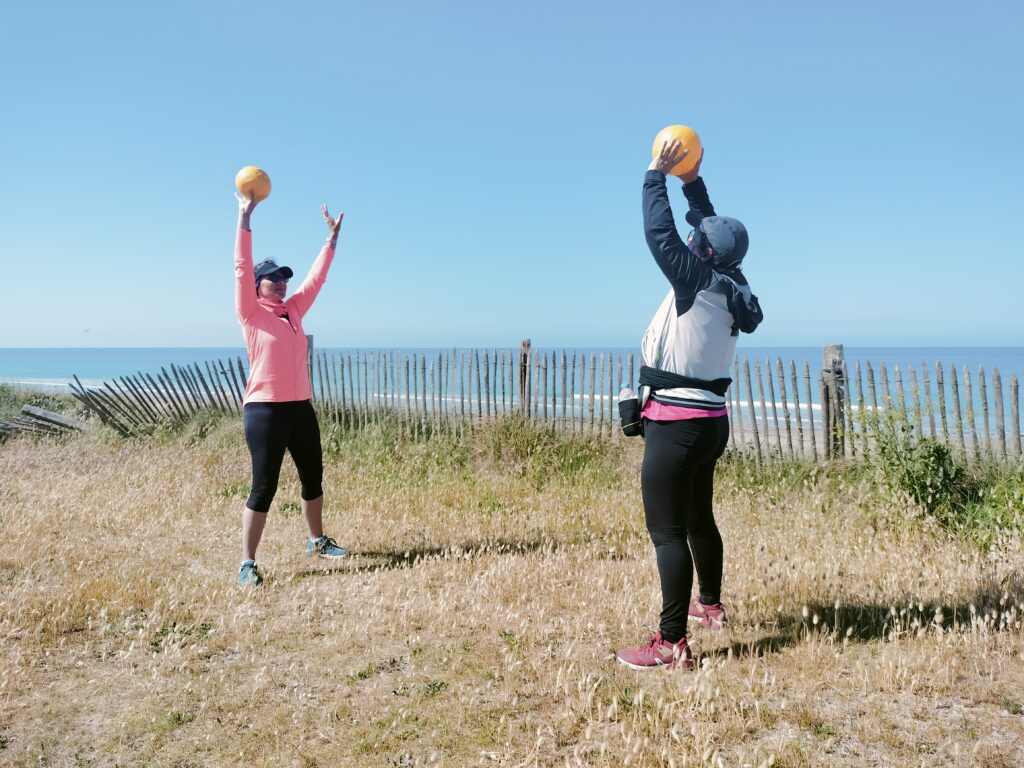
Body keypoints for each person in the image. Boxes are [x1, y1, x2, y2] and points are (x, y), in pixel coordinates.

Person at [616, 139, 763, 669]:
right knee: (700, 516)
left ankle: (672, 643)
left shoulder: (693, 277)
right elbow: (708, 225)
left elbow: (660, 235)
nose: (690, 236)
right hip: (709, 423)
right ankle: (712, 608)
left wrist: (655, 175)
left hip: (676, 425)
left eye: (696, 239)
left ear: (701, 251)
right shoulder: (733, 283)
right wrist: (692, 181)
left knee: (668, 531)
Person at [233, 192, 349, 587]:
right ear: (257, 285)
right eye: (273, 278)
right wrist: (244, 218)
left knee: (313, 476)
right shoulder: (250, 313)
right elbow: (240, 265)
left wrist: (330, 242)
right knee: (263, 486)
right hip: (264, 409)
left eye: (284, 278)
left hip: (300, 407)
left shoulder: (294, 311)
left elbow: (317, 279)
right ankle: (248, 563)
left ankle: (316, 540)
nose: (282, 283)